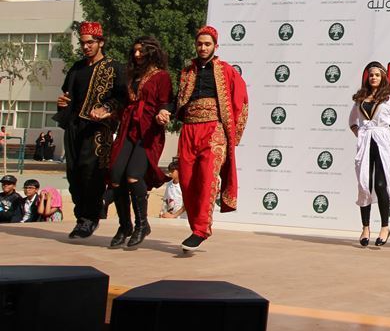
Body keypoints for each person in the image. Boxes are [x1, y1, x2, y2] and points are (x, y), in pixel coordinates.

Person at [156, 26, 248, 252]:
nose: (203, 48)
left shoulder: (226, 71)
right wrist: (166, 110)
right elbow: (179, 100)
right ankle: (195, 227)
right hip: (189, 129)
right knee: (187, 180)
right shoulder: (187, 71)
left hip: (213, 130)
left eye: (207, 44)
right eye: (200, 44)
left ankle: (201, 230)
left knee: (207, 179)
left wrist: (233, 136)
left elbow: (242, 101)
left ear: (215, 46)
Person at [55, 21, 126, 239]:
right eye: (83, 43)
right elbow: (68, 94)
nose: (86, 47)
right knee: (74, 174)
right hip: (75, 126)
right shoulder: (77, 68)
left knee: (92, 173)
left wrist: (107, 109)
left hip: (98, 129)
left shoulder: (114, 68)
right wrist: (62, 103)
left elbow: (123, 97)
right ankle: (81, 217)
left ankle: (89, 218)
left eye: (90, 43)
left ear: (100, 42)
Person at [106, 36, 173, 250]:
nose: (137, 55)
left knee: (133, 176)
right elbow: (121, 100)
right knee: (116, 175)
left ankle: (142, 225)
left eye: (141, 51)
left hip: (148, 130)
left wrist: (164, 112)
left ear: (151, 52)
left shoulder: (162, 76)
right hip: (128, 127)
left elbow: (167, 101)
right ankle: (125, 225)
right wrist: (107, 111)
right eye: (134, 51)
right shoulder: (130, 75)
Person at [349, 61, 390, 247]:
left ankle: (385, 227)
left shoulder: (389, 100)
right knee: (364, 184)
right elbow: (352, 121)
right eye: (371, 75)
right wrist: (361, 134)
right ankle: (365, 228)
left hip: (382, 143)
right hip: (365, 144)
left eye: (377, 75)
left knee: (380, 184)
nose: (373, 77)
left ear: (383, 77)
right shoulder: (360, 99)